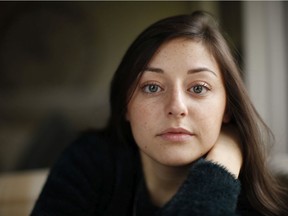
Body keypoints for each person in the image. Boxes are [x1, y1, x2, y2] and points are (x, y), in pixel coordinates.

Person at [31, 11, 288, 216]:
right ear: (125, 106)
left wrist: (218, 171)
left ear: (227, 108)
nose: (176, 106)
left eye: (198, 88)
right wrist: (226, 155)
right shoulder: (89, 161)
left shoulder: (260, 207)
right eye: (152, 87)